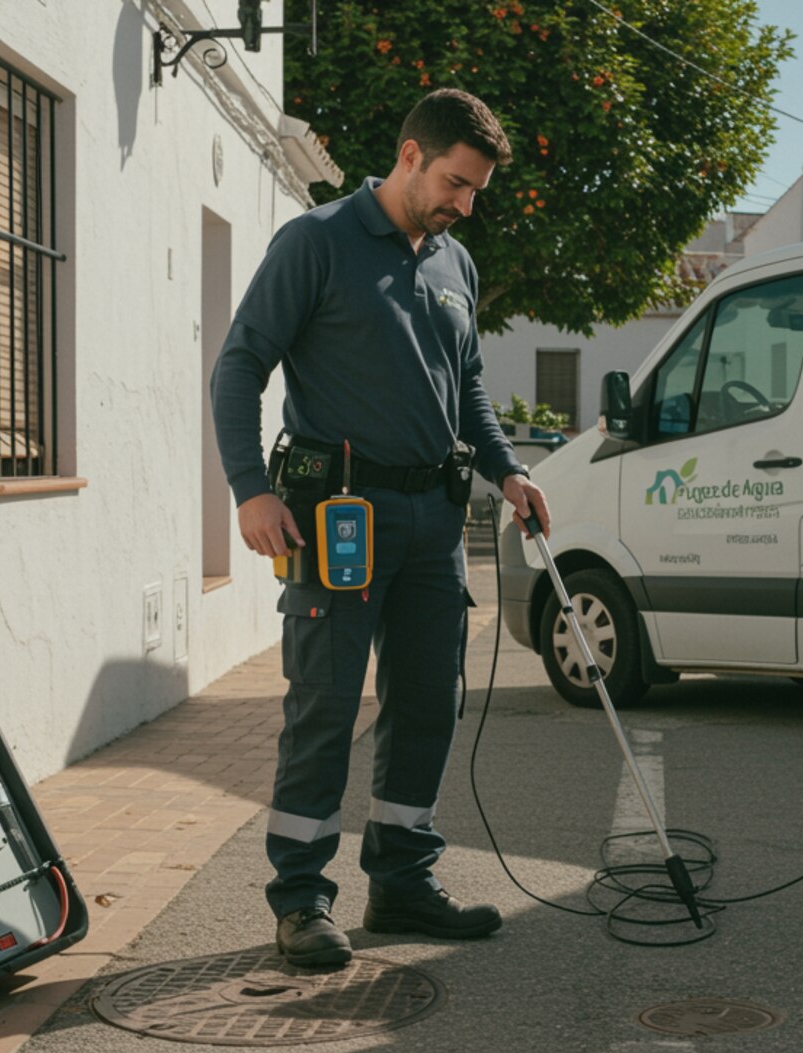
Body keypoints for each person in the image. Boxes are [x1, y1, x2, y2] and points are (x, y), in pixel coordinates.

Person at [211, 89, 552, 967]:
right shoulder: (316, 242)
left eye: (475, 191)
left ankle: (402, 880)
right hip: (338, 519)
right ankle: (301, 898)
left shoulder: (454, 264)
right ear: (409, 154)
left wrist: (506, 467)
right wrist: (250, 488)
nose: (464, 204)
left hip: (435, 521)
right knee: (326, 703)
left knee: (428, 703)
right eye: (454, 183)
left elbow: (467, 384)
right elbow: (240, 365)